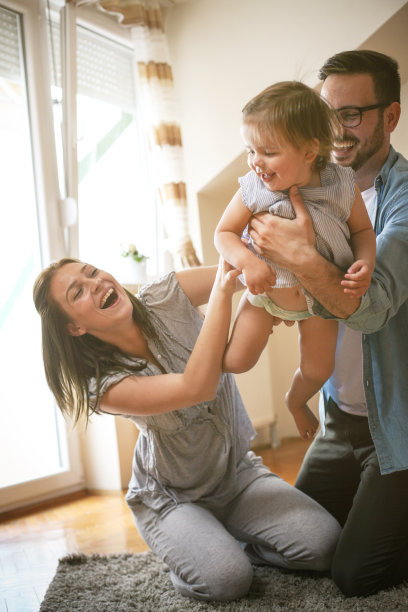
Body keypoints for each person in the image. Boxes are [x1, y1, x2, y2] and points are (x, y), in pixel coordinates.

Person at [33, 257, 340, 602]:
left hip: (237, 476)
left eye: (92, 272)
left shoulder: (165, 294)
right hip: (171, 498)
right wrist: (222, 295)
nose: (96, 284)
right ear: (74, 327)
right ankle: (201, 551)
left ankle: (233, 544)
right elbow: (197, 387)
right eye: (79, 292)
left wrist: (284, 290)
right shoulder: (103, 386)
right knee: (227, 581)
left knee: (326, 546)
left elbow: (247, 269)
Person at [247, 50, 408, 597]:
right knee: (290, 547)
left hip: (398, 426)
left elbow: (371, 305)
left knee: (355, 574)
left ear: (390, 116)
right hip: (341, 417)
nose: (335, 128)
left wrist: (301, 261)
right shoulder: (299, 183)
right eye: (326, 110)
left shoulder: (402, 201)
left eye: (353, 114)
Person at [214, 81, 375, 440]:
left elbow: (363, 232)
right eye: (249, 150)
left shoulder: (340, 184)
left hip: (320, 301)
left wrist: (366, 262)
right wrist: (249, 262)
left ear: (309, 150)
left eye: (267, 151)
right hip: (265, 293)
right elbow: (223, 233)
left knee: (318, 370)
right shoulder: (254, 187)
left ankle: (294, 400)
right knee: (236, 361)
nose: (256, 161)